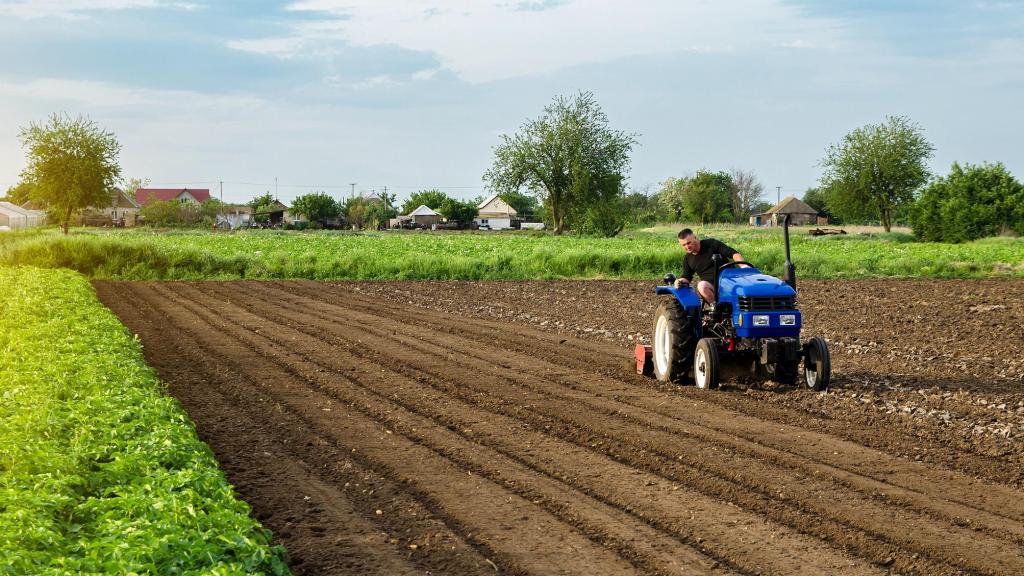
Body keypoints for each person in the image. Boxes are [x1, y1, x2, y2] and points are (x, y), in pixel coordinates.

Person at [674, 228, 747, 303]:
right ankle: (718, 310)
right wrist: (680, 281)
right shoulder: (687, 258)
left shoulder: (711, 244)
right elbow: (687, 276)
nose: (687, 247)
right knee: (701, 286)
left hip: (729, 280)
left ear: (695, 238)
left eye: (689, 243)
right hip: (711, 286)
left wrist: (744, 266)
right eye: (684, 245)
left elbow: (733, 253)